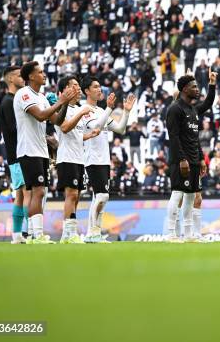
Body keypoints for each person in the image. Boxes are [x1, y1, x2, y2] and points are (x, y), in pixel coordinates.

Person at [14, 61, 73, 244]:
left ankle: (35, 235)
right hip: (28, 150)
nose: (44, 74)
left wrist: (64, 105)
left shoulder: (41, 96)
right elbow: (40, 115)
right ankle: (36, 235)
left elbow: (57, 121)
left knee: (40, 191)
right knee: (37, 191)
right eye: (40, 72)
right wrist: (61, 101)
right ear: (31, 76)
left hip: (40, 151)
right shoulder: (23, 94)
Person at [165, 68, 216, 242]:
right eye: (194, 87)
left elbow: (194, 138)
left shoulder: (192, 110)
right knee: (178, 194)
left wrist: (213, 85)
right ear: (184, 89)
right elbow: (174, 137)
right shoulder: (175, 109)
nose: (197, 90)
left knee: (190, 196)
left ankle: (188, 235)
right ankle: (170, 233)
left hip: (194, 160)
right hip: (181, 161)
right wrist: (182, 159)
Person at [81, 76, 134, 243]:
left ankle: (94, 233)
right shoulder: (84, 109)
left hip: (103, 160)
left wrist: (126, 112)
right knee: (101, 197)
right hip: (92, 159)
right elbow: (97, 127)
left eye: (99, 86)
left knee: (101, 197)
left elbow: (120, 129)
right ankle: (92, 232)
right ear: (87, 91)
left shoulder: (100, 111)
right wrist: (109, 109)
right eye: (95, 86)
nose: (99, 89)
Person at [55, 76, 103, 243]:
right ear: (65, 90)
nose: (78, 89)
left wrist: (89, 135)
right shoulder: (62, 109)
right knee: (71, 195)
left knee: (77, 195)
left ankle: (68, 233)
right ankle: (69, 233)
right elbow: (65, 128)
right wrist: (81, 112)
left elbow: (76, 135)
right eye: (74, 86)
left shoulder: (76, 109)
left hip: (78, 158)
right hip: (66, 157)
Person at [0, 66, 30, 244]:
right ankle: (32, 232)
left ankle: (17, 235)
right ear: (10, 79)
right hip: (19, 154)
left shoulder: (12, 100)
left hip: (16, 154)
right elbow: (15, 129)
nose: (22, 78)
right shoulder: (8, 102)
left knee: (20, 194)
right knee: (27, 193)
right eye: (19, 76)